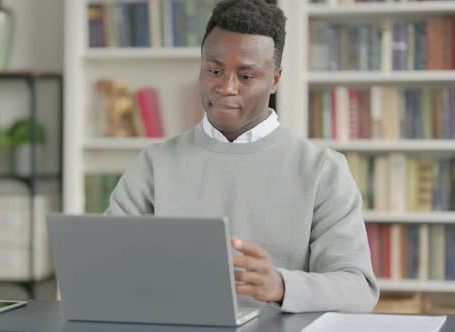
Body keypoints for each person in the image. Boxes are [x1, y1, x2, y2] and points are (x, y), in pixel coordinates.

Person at [105, 0, 379, 313]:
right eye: (214, 70)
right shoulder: (154, 164)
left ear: (274, 80)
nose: (225, 87)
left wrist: (280, 285)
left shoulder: (323, 170)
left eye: (246, 76)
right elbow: (107, 263)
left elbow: (358, 289)